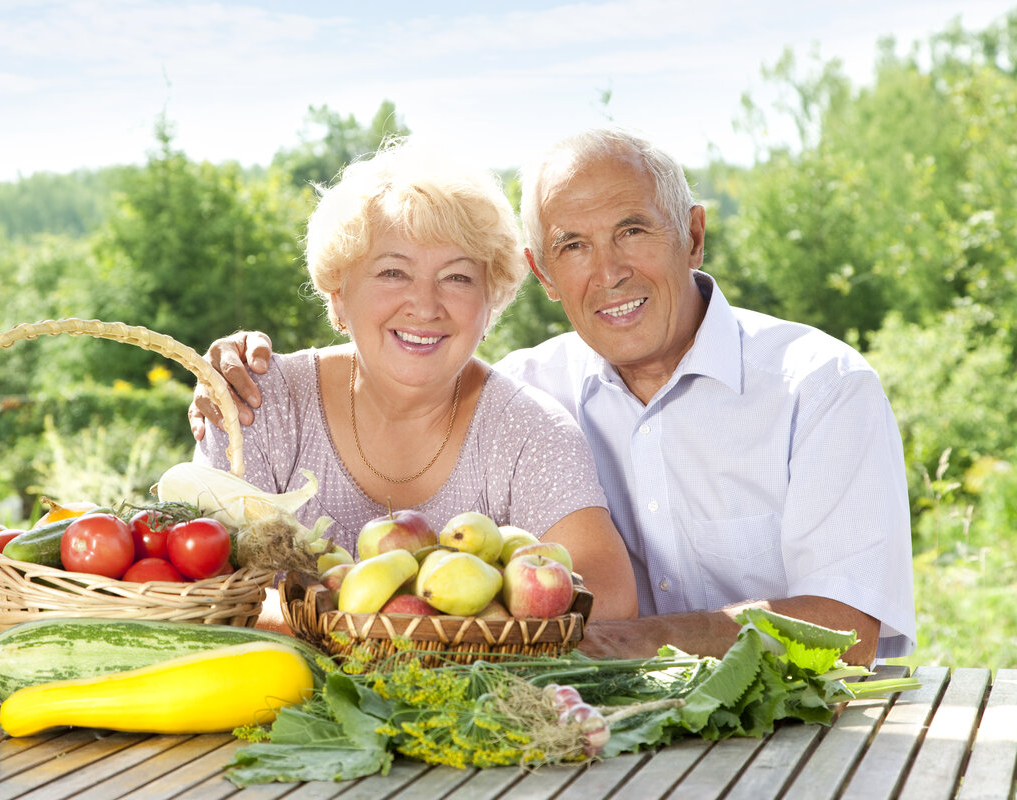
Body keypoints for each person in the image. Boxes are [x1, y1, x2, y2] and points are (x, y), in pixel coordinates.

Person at [192, 127, 917, 666]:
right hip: (600, 723)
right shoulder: (535, 386)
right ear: (543, 274)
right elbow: (194, 583)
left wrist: (613, 642)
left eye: (632, 230)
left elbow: (846, 632)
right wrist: (231, 372)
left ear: (693, 236)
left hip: (809, 729)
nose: (608, 273)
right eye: (573, 245)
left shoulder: (820, 387)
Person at [192, 138, 639, 631]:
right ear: (338, 297)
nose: (425, 306)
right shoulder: (261, 400)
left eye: (457, 278)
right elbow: (196, 582)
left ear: (489, 304)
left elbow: (611, 601)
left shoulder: (531, 430)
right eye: (393, 272)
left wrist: (399, 633)